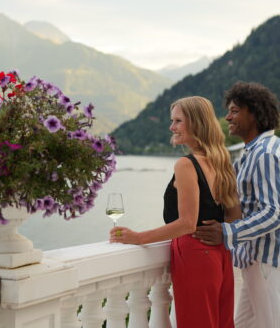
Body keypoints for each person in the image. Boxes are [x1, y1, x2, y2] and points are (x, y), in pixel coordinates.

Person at [109, 96, 241, 328]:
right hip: (220, 255)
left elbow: (187, 223)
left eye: (178, 121)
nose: (172, 127)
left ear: (196, 123)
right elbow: (234, 217)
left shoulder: (186, 164)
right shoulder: (221, 161)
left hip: (195, 256)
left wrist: (138, 237)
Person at [194, 82, 280, 328]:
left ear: (253, 113)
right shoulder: (253, 153)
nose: (227, 117)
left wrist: (227, 232)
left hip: (266, 261)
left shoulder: (264, 154)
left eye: (234, 111)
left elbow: (273, 212)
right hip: (254, 259)